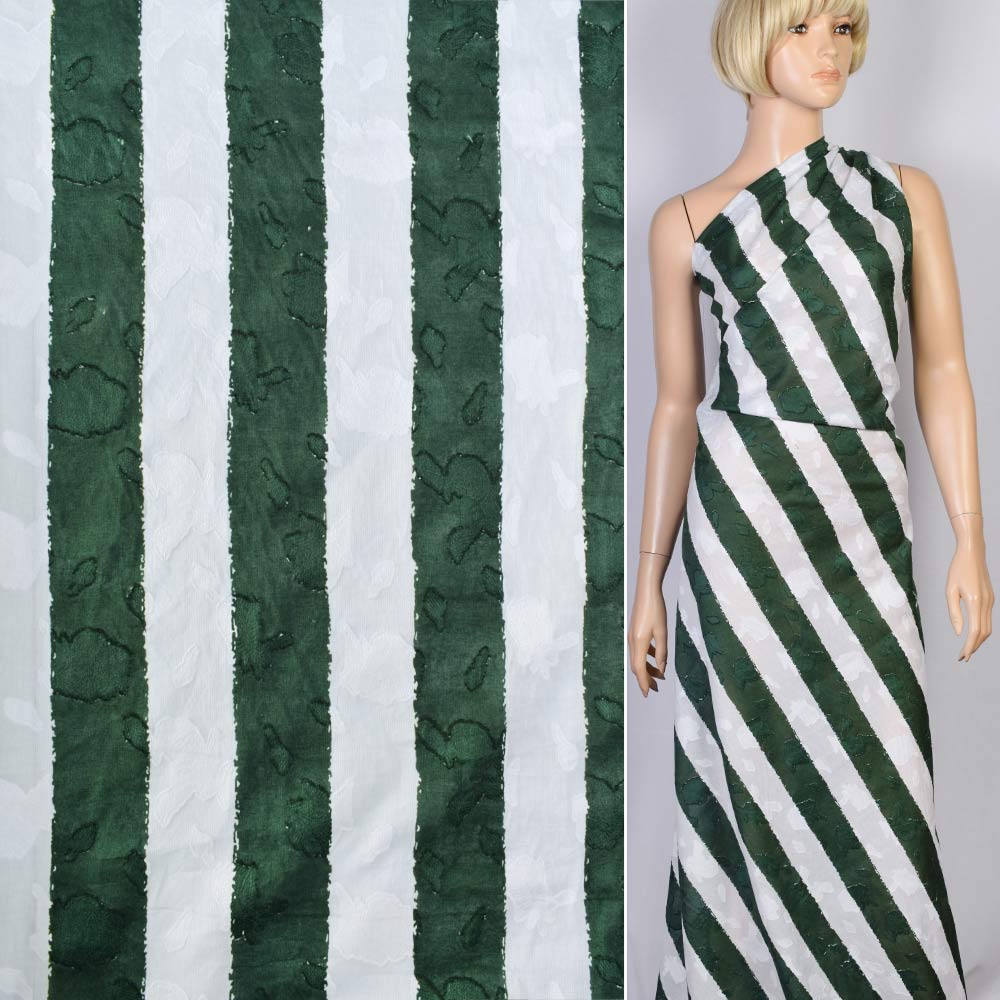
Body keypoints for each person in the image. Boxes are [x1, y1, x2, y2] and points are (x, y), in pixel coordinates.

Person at [627, 1, 994, 996]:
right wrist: (650, 576)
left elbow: (943, 370)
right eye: (800, 27)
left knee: (879, 770)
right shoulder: (687, 221)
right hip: (742, 532)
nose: (828, 48)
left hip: (860, 516)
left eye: (840, 25)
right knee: (744, 768)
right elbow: (676, 404)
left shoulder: (900, 196)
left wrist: (970, 534)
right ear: (752, 40)